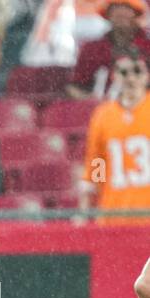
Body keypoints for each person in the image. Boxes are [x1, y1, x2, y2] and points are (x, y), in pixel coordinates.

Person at [82, 48, 150, 220]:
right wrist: (86, 210)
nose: (131, 78)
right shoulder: (103, 115)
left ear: (147, 75)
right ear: (114, 76)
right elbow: (97, 162)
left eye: (137, 71)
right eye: (124, 72)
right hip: (113, 214)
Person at [69, 0, 150, 99]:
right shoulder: (91, 49)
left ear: (136, 13)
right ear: (107, 14)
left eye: (126, 8)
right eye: (115, 8)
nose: (121, 12)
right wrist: (89, 100)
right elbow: (74, 86)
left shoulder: (147, 46)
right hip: (102, 108)